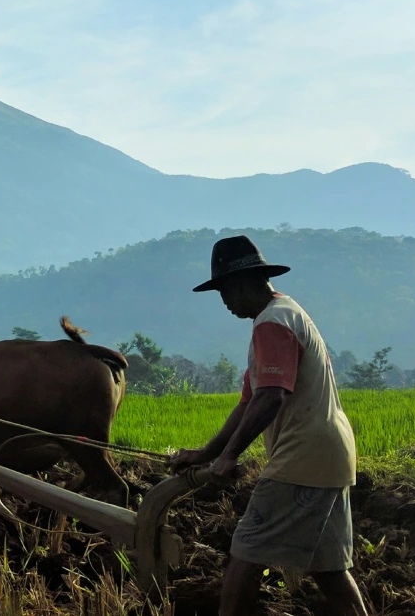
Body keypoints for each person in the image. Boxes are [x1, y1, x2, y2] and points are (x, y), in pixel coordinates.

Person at [168, 235, 369, 616]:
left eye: (224, 292)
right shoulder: (286, 313)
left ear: (243, 284)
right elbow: (249, 400)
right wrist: (207, 453)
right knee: (329, 570)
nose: (224, 302)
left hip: (301, 458)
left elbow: (271, 396)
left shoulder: (272, 323)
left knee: (245, 553)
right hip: (330, 455)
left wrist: (228, 458)